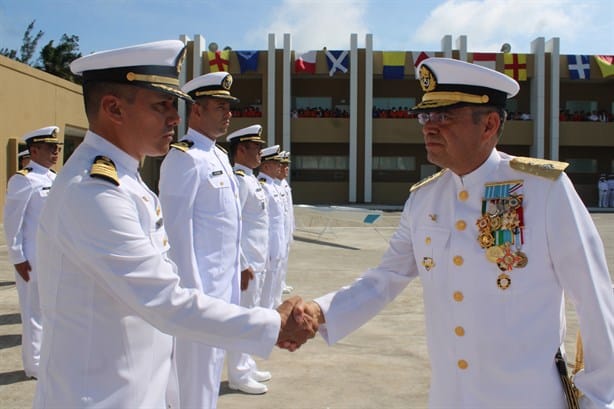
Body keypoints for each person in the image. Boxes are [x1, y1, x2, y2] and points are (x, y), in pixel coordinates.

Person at [297, 58, 614, 408]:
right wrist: (319, 310)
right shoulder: (424, 198)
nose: (429, 128)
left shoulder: (543, 189)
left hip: (528, 397)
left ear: (489, 124)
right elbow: (385, 277)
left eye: (444, 116)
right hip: (451, 398)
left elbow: (594, 295)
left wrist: (598, 398)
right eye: (425, 116)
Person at [33, 40, 316, 409]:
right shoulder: (93, 192)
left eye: (173, 105)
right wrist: (272, 324)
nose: (174, 117)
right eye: (161, 105)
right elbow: (165, 300)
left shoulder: (127, 181)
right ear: (113, 108)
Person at [158, 71, 260, 405]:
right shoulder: (184, 158)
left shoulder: (216, 155)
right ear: (197, 110)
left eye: (229, 106)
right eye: (220, 106)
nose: (229, 113)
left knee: (210, 369)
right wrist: (191, 293)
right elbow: (175, 232)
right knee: (196, 373)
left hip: (223, 286)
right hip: (200, 289)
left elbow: (228, 223)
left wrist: (241, 264)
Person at [3, 126, 62, 379]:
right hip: (32, 257)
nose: (56, 152)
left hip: (53, 256)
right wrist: (17, 258)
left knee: (51, 310)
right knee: (33, 312)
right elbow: (12, 222)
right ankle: (34, 366)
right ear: (34, 150)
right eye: (50, 148)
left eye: (57, 148)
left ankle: (49, 358)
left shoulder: (53, 178)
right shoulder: (23, 179)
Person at [224, 124, 273, 395]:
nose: (260, 153)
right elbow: (235, 224)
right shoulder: (239, 181)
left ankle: (246, 363)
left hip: (258, 260)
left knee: (252, 314)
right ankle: (238, 374)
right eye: (256, 148)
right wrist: (242, 263)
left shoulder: (251, 179)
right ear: (241, 149)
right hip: (248, 264)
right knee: (243, 317)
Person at [258, 145, 288, 310]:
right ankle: (265, 311)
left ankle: (272, 307)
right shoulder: (263, 186)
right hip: (269, 243)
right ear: (266, 166)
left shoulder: (273, 186)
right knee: (266, 283)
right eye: (276, 163)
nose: (280, 167)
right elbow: (264, 221)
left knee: (274, 278)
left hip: (278, 240)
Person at [277, 151, 295, 296]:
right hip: (279, 231)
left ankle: (281, 283)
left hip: (286, 228)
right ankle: (278, 284)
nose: (286, 169)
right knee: (278, 261)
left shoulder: (283, 184)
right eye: (283, 166)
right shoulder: (273, 184)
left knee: (284, 259)